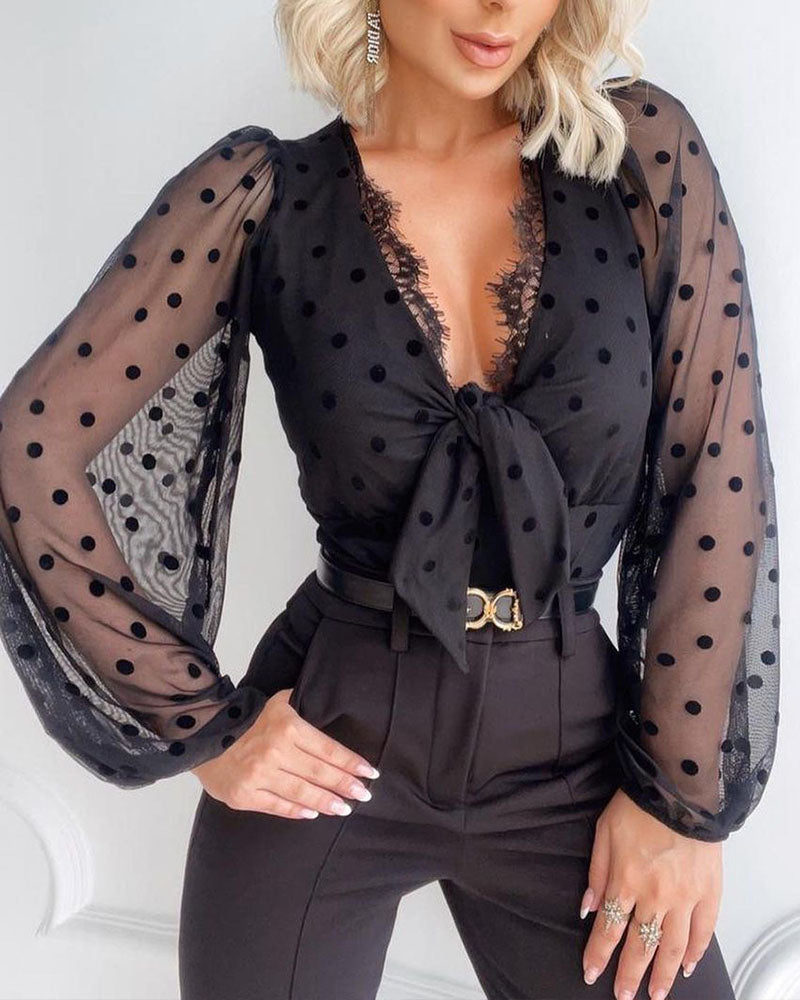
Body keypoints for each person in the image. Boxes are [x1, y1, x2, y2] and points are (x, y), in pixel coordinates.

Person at [0, 0, 779, 998]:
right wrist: (204, 727)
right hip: (333, 730)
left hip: (575, 751)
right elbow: (33, 449)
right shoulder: (261, 194)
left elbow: (714, 466)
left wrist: (678, 805)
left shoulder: (638, 158)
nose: (502, 7)